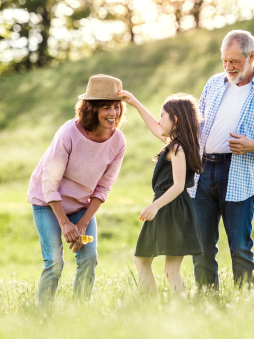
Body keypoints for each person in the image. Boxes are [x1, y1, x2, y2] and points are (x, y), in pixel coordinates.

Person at [189, 30, 254, 290]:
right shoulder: (214, 83)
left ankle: (246, 305)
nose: (228, 67)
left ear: (252, 56)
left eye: (234, 61)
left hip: (238, 175)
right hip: (203, 172)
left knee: (240, 247)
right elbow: (197, 124)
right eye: (224, 61)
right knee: (201, 247)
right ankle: (206, 302)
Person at [27, 74, 127, 305]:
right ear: (91, 109)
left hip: (82, 206)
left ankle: (80, 313)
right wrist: (64, 223)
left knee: (89, 257)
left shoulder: (118, 141)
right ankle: (43, 316)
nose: (113, 113)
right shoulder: (68, 133)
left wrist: (82, 223)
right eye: (106, 108)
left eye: (116, 106)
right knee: (54, 262)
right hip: (47, 203)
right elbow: (50, 183)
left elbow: (103, 188)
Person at [118, 90, 203, 295]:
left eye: (162, 116)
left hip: (169, 208)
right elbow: (156, 127)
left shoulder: (177, 149)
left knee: (144, 261)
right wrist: (136, 103)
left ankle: (153, 307)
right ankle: (177, 310)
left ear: (175, 119)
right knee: (169, 269)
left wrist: (155, 205)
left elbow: (179, 185)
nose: (159, 121)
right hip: (175, 208)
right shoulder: (177, 145)